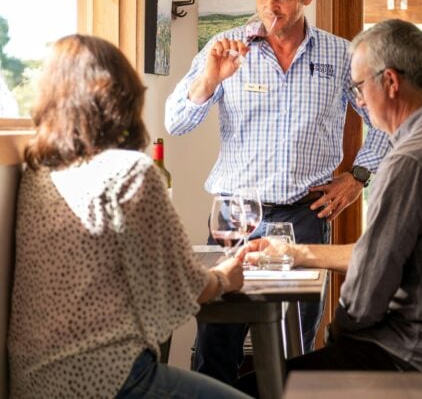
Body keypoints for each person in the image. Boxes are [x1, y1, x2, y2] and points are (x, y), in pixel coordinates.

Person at [164, 0, 390, 381]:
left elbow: (384, 117)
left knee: (298, 344)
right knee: (217, 342)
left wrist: (358, 176)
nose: (272, 8)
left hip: (306, 216)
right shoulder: (224, 48)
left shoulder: (342, 55)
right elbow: (175, 122)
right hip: (233, 216)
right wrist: (211, 79)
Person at [243, 19, 422, 375]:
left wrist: (337, 334)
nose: (358, 101)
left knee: (254, 386)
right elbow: (383, 253)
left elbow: (365, 295)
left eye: (358, 87)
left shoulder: (412, 158)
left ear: (389, 82)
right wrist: (296, 253)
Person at [8, 34, 248, 398]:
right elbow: (185, 286)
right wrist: (223, 279)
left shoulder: (39, 173)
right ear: (122, 94)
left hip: (33, 380)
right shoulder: (130, 171)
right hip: (107, 378)